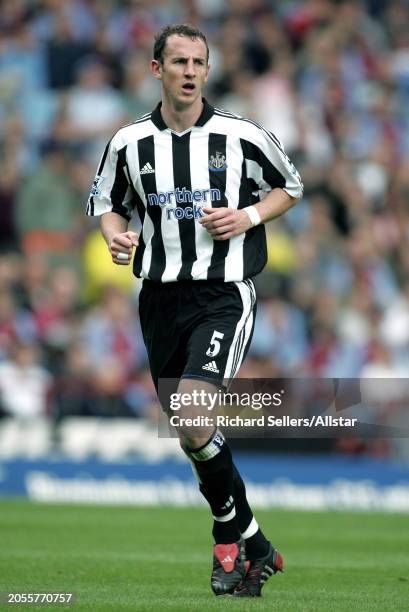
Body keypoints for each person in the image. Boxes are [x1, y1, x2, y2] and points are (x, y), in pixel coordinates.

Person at [86, 23, 303, 598]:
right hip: (159, 297)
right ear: (156, 69)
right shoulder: (129, 143)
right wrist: (115, 237)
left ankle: (225, 534)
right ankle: (253, 540)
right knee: (190, 431)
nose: (188, 71)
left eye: (197, 62)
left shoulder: (241, 135)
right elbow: (110, 204)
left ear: (208, 71)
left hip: (223, 293)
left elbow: (291, 185)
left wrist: (250, 217)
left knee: (190, 411)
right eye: (177, 61)